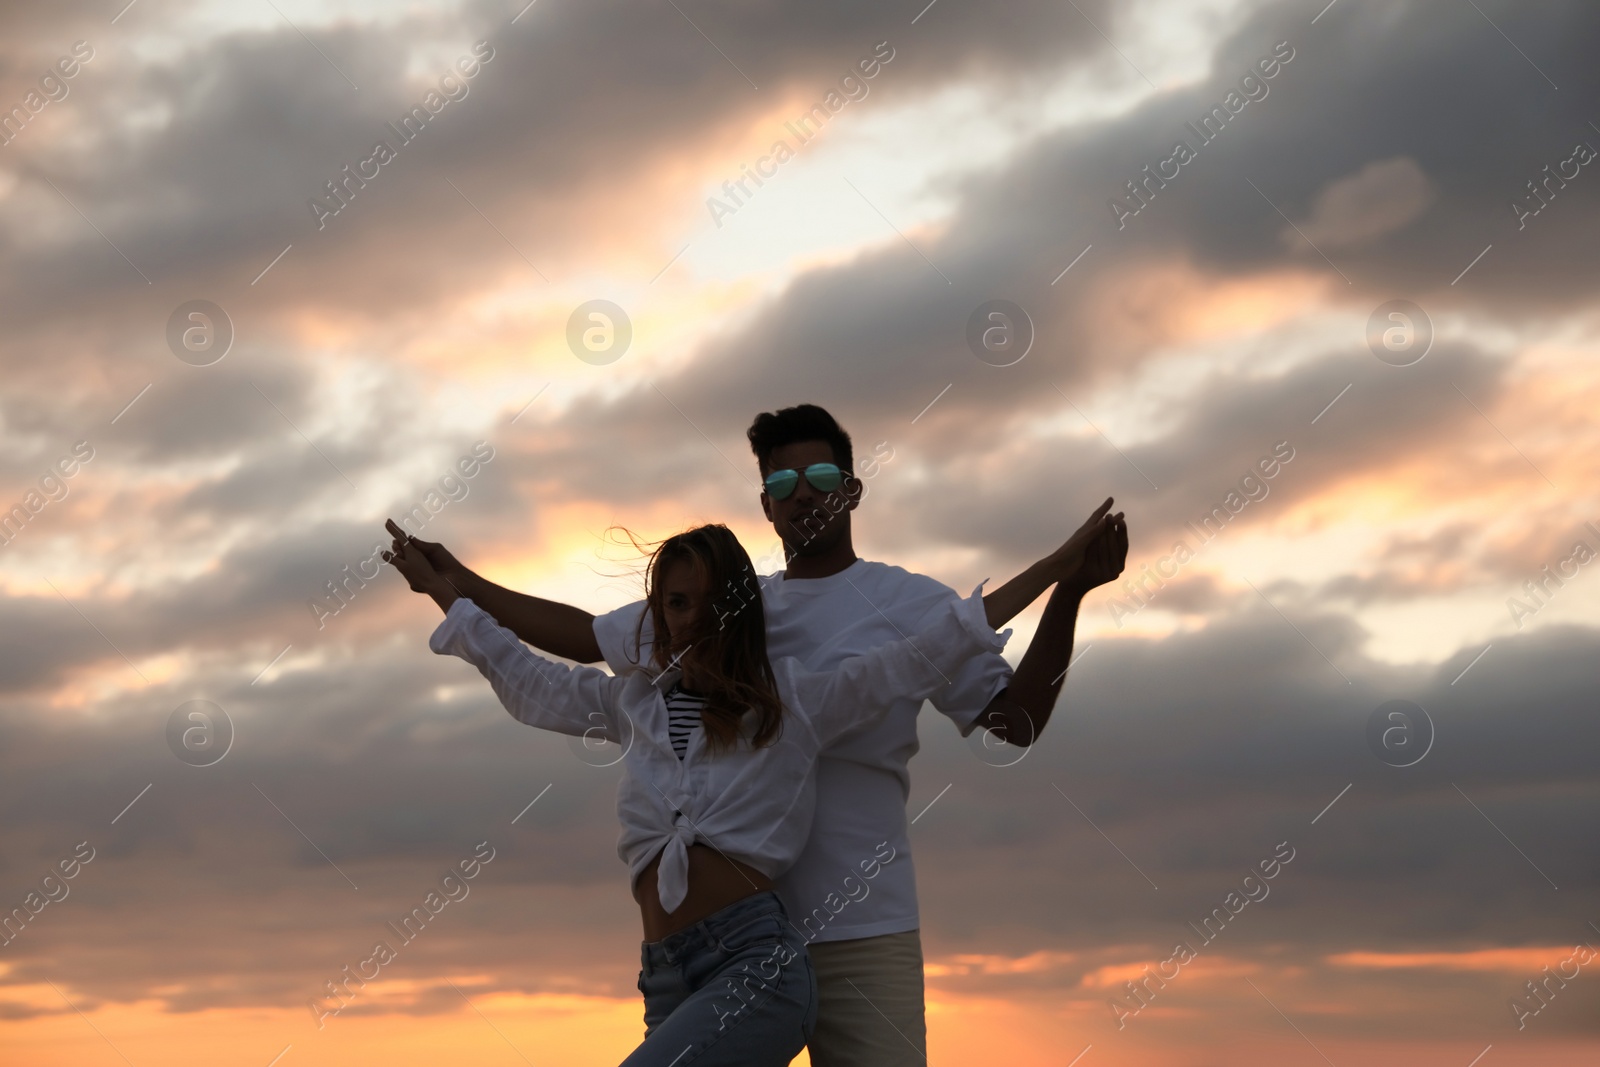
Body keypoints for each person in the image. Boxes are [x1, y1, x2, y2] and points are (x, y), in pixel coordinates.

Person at [389, 403, 1128, 1064]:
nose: (802, 492)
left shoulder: (908, 605)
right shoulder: (729, 607)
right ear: (766, 507)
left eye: (819, 474)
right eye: (781, 484)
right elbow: (580, 644)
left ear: (852, 487)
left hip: (862, 927)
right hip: (709, 945)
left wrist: (1068, 590)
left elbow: (1013, 721)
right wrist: (458, 582)